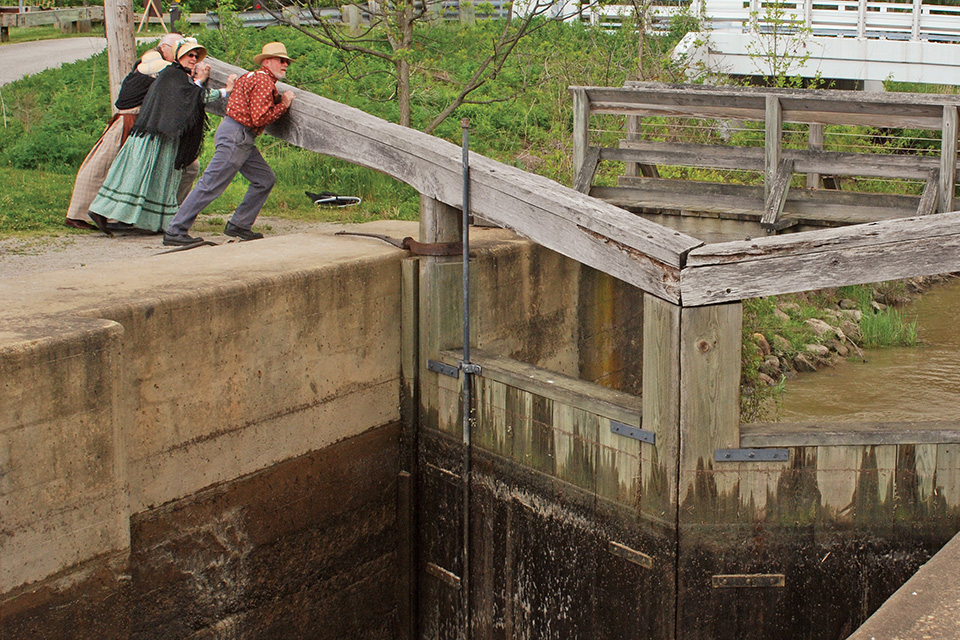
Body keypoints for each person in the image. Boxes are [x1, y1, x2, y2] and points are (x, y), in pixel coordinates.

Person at [87, 39, 236, 234]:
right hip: (154, 136)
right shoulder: (173, 76)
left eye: (195, 56)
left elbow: (188, 96)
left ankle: (147, 221)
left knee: (155, 179)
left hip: (162, 135)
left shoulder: (178, 76)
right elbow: (194, 97)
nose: (193, 59)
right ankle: (103, 211)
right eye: (189, 55)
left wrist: (198, 81)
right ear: (178, 56)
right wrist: (227, 90)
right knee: (136, 177)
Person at [64, 33, 203, 233]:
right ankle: (79, 214)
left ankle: (165, 214)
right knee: (103, 164)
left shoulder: (172, 69)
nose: (184, 54)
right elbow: (163, 71)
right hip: (130, 119)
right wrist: (185, 71)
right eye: (178, 49)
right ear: (164, 48)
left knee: (184, 166)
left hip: (153, 124)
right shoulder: (153, 59)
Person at [162, 41, 296, 246]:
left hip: (235, 132)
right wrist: (284, 104)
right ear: (267, 62)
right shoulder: (263, 82)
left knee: (264, 178)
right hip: (238, 136)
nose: (285, 64)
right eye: (281, 60)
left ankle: (240, 224)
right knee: (210, 184)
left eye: (286, 61)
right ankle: (176, 229)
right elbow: (260, 118)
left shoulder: (251, 75)